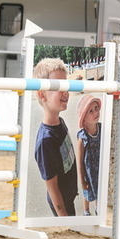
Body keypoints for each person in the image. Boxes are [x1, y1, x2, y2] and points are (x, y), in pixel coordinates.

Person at [33, 58, 78, 216]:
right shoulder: (46, 141)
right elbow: (52, 189)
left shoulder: (60, 122)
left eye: (66, 86)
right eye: (59, 87)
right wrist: (64, 218)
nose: (65, 92)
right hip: (61, 203)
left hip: (69, 196)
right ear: (42, 94)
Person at [76, 94, 102, 216]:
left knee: (99, 191)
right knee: (87, 191)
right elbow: (80, 162)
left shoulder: (102, 129)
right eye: (90, 111)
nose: (95, 112)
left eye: (96, 108)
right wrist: (82, 180)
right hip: (89, 171)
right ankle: (86, 211)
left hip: (100, 168)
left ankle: (98, 210)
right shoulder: (83, 137)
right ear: (84, 118)